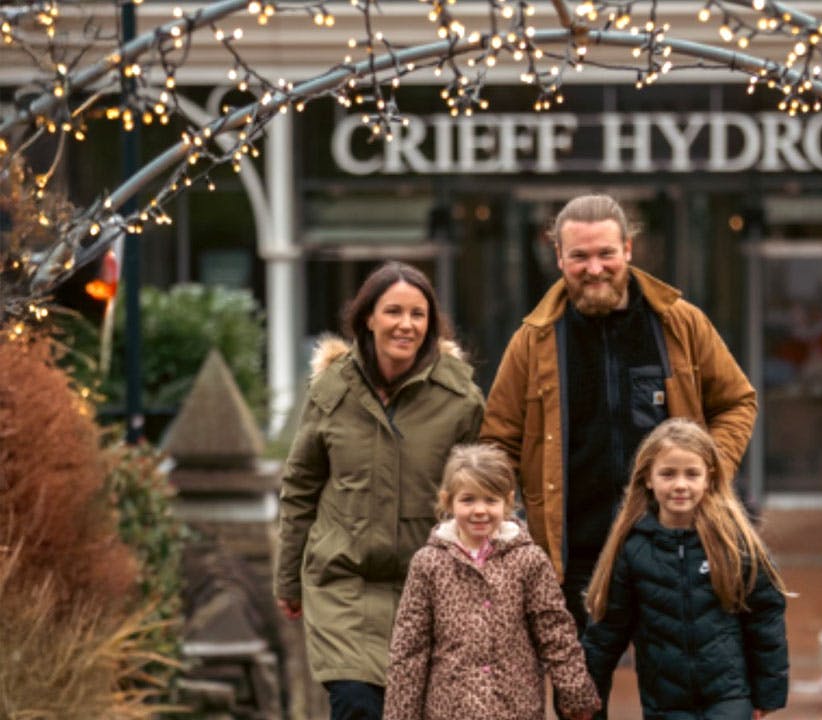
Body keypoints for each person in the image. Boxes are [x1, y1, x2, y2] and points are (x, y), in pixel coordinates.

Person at [480, 193, 758, 631]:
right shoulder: (532, 341)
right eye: (580, 257)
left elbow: (737, 401)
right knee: (583, 693)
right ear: (558, 258)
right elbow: (498, 440)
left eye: (606, 253)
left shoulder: (680, 323)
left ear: (628, 249)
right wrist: (503, 522)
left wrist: (704, 471)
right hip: (573, 555)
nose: (595, 269)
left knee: (677, 685)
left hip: (672, 542)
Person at [275, 261, 486, 720]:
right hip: (344, 584)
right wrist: (288, 577)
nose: (405, 325)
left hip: (429, 588)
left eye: (418, 314)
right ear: (367, 317)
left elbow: (483, 493)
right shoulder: (332, 391)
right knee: (357, 704)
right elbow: (301, 486)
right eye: (393, 311)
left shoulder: (459, 400)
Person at [581, 418, 789, 720]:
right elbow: (606, 631)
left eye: (692, 474)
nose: (680, 484)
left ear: (709, 477)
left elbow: (765, 616)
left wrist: (768, 691)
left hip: (729, 698)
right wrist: (586, 696)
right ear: (649, 478)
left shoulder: (733, 542)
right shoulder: (633, 549)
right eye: (668, 474)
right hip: (665, 704)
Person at [383, 444, 601, 720]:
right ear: (448, 501)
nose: (480, 510)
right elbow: (409, 647)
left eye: (490, 500)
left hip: (514, 707)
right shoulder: (428, 563)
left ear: (508, 502)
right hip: (449, 709)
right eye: (468, 500)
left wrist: (575, 692)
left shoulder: (528, 560)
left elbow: (554, 630)